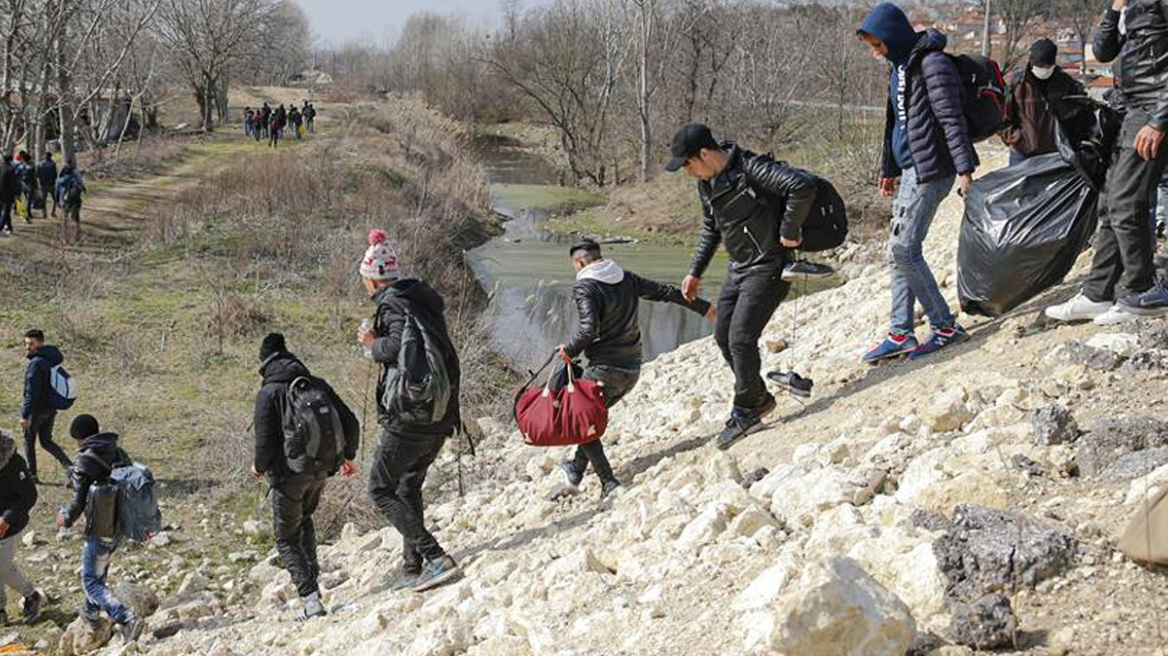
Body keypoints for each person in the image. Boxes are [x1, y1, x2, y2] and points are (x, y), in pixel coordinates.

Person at [666, 123, 817, 449]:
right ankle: (758, 397)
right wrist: (695, 271)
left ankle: (746, 410)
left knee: (741, 338)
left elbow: (801, 186)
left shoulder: (751, 168)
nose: (688, 173)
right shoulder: (707, 184)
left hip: (770, 265)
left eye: (688, 165)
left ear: (704, 154)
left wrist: (789, 232)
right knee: (723, 335)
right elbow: (711, 227)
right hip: (739, 266)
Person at [856, 3, 976, 364]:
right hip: (909, 171)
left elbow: (952, 120)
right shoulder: (899, 67)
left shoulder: (933, 64)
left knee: (903, 250)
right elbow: (896, 123)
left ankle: (944, 327)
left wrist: (966, 170)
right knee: (898, 250)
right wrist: (888, 167)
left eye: (879, 45)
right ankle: (900, 333)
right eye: (873, 47)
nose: (876, 53)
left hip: (932, 171)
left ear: (893, 37)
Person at [554, 239, 714, 499]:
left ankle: (609, 483)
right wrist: (704, 307)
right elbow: (665, 292)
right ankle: (574, 471)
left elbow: (588, 329)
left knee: (581, 420)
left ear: (580, 262)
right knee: (589, 418)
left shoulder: (585, 286)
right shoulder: (625, 278)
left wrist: (569, 350)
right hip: (632, 369)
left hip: (604, 370)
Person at [1046, 0, 1168, 324]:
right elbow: (1102, 52)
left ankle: (1142, 291)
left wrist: (1159, 120)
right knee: (1109, 201)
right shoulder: (1128, 5)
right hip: (1126, 108)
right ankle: (1097, 294)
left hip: (1152, 109)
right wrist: (1114, 9)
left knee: (1128, 201)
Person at [355, 229, 464, 593]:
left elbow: (397, 347)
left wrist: (372, 344)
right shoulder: (421, 301)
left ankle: (436, 558)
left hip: (410, 413)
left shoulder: (392, 304)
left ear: (371, 279)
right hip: (439, 411)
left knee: (380, 489)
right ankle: (412, 564)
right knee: (408, 485)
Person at [252, 333, 359, 620]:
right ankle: (313, 581)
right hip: (321, 469)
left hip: (289, 476)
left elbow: (264, 443)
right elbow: (351, 421)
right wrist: (348, 456)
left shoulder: (269, 392)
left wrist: (258, 467)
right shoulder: (316, 384)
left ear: (264, 363)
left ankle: (311, 600)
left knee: (285, 538)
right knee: (305, 520)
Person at [57, 414, 146, 643]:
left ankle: (126, 618)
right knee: (99, 571)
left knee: (90, 580)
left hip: (99, 528)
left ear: (78, 438)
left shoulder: (84, 461)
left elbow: (77, 503)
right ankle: (91, 613)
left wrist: (63, 518)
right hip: (120, 525)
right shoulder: (117, 451)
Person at [999, 39, 1086, 166]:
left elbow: (1076, 115)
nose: (1044, 69)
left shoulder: (1066, 83)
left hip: (1055, 154)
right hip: (1021, 153)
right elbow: (1001, 117)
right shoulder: (1016, 83)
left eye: (1048, 66)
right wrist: (1016, 137)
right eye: (1040, 66)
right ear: (1032, 62)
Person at [0, 428, 43, 626]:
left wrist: (7, 518)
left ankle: (32, 596)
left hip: (9, 524)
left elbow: (29, 496)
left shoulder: (13, 462)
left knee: (3, 566)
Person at [21, 330, 74, 484]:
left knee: (29, 441)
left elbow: (31, 392)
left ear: (40, 343)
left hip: (37, 410)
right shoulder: (50, 360)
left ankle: (32, 476)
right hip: (50, 409)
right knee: (46, 442)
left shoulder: (36, 363)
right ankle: (72, 470)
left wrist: (25, 415)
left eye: (31, 343)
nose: (28, 347)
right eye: (26, 343)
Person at [55, 160, 86, 241]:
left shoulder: (59, 181)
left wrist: (57, 202)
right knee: (76, 219)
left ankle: (64, 238)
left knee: (64, 219)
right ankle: (77, 236)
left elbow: (56, 192)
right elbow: (82, 188)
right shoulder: (76, 179)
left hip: (64, 201)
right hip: (75, 201)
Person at [16, 152, 36, 225]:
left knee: (24, 200)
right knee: (29, 200)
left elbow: (16, 175)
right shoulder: (31, 167)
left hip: (22, 185)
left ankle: (25, 213)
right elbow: (34, 178)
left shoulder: (20, 167)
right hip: (30, 185)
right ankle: (28, 213)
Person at [36, 152, 58, 220]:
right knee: (55, 199)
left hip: (43, 184)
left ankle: (44, 214)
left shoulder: (39, 164)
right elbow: (55, 175)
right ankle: (53, 212)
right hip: (51, 184)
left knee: (43, 200)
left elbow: (37, 175)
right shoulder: (53, 164)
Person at [0, 155, 17, 236]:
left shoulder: (0, 168)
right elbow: (13, 183)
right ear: (10, 160)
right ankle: (1, 227)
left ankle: (9, 227)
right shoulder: (11, 169)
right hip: (8, 193)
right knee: (6, 211)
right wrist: (17, 193)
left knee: (5, 211)